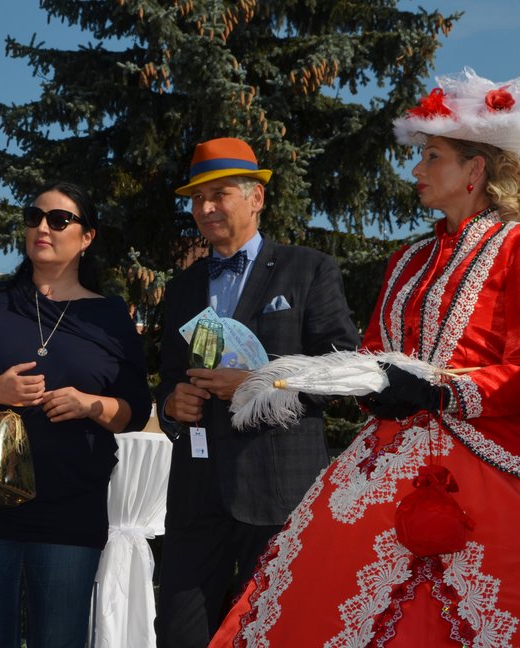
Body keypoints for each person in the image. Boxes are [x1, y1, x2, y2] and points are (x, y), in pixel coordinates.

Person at [211, 69, 520, 646]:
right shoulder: (408, 260)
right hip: (384, 462)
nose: (416, 170)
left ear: (475, 170)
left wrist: (438, 391)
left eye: (432, 156)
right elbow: (376, 358)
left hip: (493, 463)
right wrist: (344, 383)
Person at [154, 137, 360, 647]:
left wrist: (259, 384)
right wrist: (171, 405)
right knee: (178, 631)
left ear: (256, 199)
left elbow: (343, 370)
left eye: (219, 194)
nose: (204, 208)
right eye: (197, 199)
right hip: (195, 494)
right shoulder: (182, 287)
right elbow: (168, 377)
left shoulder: (309, 269)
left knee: (277, 632)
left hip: (278, 488)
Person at [0, 181, 152, 647]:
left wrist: (90, 404)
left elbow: (135, 411)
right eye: (34, 217)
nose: (42, 227)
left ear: (87, 236)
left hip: (71, 507)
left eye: (59, 220)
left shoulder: (110, 316)